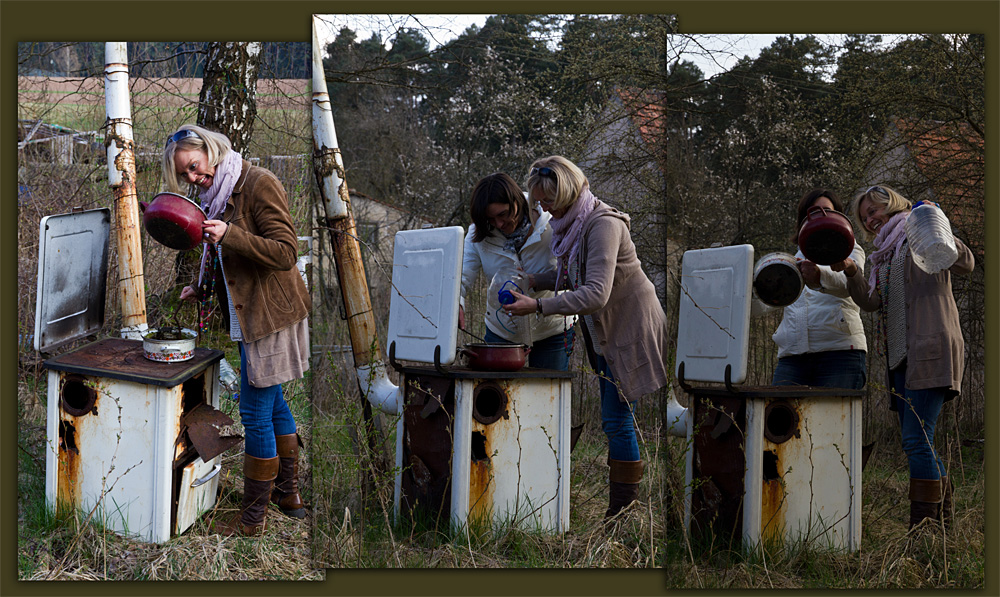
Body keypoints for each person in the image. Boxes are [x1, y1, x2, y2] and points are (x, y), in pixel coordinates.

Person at [162, 124, 311, 536]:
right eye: (184, 176)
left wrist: (231, 235)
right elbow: (228, 261)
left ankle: (251, 520)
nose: (193, 179)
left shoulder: (258, 183)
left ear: (210, 151)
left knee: (254, 413)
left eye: (194, 167)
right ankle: (288, 493)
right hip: (251, 316)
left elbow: (285, 253)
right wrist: (204, 287)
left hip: (270, 317)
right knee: (275, 402)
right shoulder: (217, 195)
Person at [504, 156, 671, 521]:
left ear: (565, 192)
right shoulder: (573, 224)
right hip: (604, 331)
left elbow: (595, 293)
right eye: (539, 202)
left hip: (629, 328)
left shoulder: (602, 225)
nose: (543, 208)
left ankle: (622, 513)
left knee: (616, 419)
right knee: (616, 417)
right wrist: (537, 281)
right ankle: (621, 509)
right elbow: (572, 274)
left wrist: (537, 306)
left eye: (547, 201)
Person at [833, 184, 974, 530]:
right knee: (919, 439)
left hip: (930, 349)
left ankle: (924, 528)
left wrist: (932, 223)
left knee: (915, 439)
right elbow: (871, 302)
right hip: (902, 358)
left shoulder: (918, 230)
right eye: (865, 217)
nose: (870, 220)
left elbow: (966, 263)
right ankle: (942, 521)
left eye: (874, 211)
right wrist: (852, 271)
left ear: (891, 204)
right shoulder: (885, 253)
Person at [459, 172, 576, 370]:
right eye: (491, 219)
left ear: (517, 201)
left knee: (546, 396)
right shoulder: (478, 235)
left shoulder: (552, 220)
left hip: (553, 328)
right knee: (500, 395)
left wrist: (535, 281)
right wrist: (458, 303)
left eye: (503, 214)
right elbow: (461, 276)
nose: (499, 224)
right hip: (502, 332)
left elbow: (574, 272)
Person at [771, 189, 867, 389]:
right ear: (802, 219)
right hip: (793, 357)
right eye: (813, 211)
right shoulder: (790, 260)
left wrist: (819, 276)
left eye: (827, 210)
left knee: (834, 420)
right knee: (782, 417)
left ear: (838, 215)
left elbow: (848, 285)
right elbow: (773, 300)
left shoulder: (848, 248)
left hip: (840, 354)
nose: (820, 215)